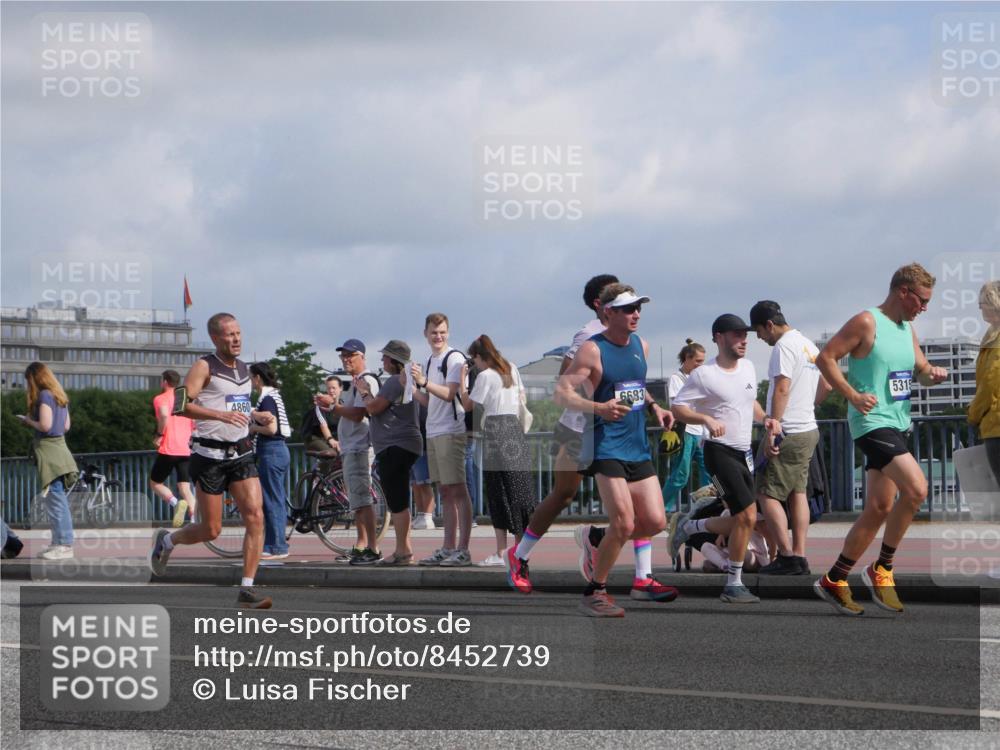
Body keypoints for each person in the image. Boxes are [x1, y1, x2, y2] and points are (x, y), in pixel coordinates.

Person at [813, 263, 948, 615]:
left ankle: (835, 577)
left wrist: (933, 374)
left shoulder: (907, 330)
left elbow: (920, 372)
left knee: (879, 508)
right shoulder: (866, 322)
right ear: (903, 292)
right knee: (917, 489)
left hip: (898, 424)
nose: (924, 308)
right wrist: (852, 396)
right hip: (871, 423)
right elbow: (825, 358)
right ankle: (882, 568)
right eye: (921, 300)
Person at [555, 283, 677, 617]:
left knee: (654, 521)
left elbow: (635, 387)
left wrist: (656, 407)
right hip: (605, 445)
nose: (635, 314)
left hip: (636, 445)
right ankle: (595, 591)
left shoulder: (641, 344)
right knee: (623, 523)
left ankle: (597, 539)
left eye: (638, 308)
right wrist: (599, 408)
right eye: (627, 309)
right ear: (608, 312)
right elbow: (562, 394)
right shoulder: (592, 350)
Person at [148, 313, 273, 609]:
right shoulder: (204, 366)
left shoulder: (244, 370)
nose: (236, 339)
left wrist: (253, 415)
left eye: (239, 333)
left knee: (256, 516)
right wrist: (219, 415)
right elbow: (180, 406)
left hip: (241, 453)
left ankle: (246, 589)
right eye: (230, 335)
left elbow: (235, 405)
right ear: (216, 338)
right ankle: (167, 541)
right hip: (209, 457)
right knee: (211, 530)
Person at [505, 274, 620, 593]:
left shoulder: (630, 336)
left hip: (612, 433)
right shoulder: (588, 334)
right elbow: (563, 381)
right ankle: (520, 555)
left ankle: (606, 547)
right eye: (617, 295)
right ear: (600, 305)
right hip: (577, 428)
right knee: (562, 495)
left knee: (632, 505)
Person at [668, 314, 774, 604]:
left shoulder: (750, 368)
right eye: (737, 335)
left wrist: (766, 419)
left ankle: (691, 527)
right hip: (717, 452)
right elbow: (678, 408)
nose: (744, 340)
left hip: (744, 453)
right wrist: (704, 417)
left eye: (745, 335)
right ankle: (733, 583)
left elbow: (749, 401)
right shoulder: (704, 374)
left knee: (745, 518)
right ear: (719, 337)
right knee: (747, 515)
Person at [749, 301, 830, 576]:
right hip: (809, 429)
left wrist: (774, 425)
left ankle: (785, 555)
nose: (760, 338)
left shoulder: (783, 346)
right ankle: (800, 554)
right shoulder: (809, 345)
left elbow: (782, 387)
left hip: (789, 430)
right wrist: (809, 406)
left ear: (769, 325)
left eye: (760, 332)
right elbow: (827, 384)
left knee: (766, 492)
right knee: (798, 492)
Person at [459, 335, 536, 566]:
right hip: (513, 427)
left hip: (494, 428)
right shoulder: (511, 368)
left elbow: (467, 405)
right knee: (518, 488)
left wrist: (463, 381)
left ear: (480, 357)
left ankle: (501, 551)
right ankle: (521, 548)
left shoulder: (485, 375)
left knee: (497, 489)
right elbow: (521, 396)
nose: (475, 365)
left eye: (474, 361)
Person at [411, 313, 474, 567]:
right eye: (434, 332)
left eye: (443, 332)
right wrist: (413, 390)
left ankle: (463, 548)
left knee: (458, 489)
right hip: (434, 430)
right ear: (425, 333)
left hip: (451, 429)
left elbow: (449, 394)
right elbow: (431, 400)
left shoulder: (454, 358)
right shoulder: (428, 360)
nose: (438, 336)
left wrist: (423, 382)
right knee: (445, 491)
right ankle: (449, 546)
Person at [355, 340, 423, 566]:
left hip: (395, 445)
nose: (382, 360)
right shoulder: (404, 380)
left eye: (385, 357)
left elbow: (373, 408)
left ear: (394, 361)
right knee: (399, 498)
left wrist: (364, 392)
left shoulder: (395, 380)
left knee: (397, 501)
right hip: (405, 444)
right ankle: (404, 549)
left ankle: (403, 552)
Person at [316, 339, 383, 565]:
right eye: (343, 356)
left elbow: (359, 413)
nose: (346, 359)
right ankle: (362, 545)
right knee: (357, 501)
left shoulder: (366, 380)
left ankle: (372, 548)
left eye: (351, 355)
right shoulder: (356, 381)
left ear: (362, 357)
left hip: (360, 447)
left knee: (363, 500)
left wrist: (333, 406)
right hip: (352, 447)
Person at [18, 362, 77, 560]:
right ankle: (58, 543)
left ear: (35, 378)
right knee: (55, 499)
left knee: (56, 500)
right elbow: (66, 426)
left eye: (29, 380)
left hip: (49, 453)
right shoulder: (60, 396)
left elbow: (45, 425)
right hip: (60, 450)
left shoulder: (44, 395)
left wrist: (28, 421)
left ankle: (65, 545)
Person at [661, 339, 711, 513]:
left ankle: (707, 508)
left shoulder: (700, 378)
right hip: (686, 431)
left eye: (702, 361)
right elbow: (677, 408)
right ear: (687, 358)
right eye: (698, 361)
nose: (700, 365)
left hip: (702, 433)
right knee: (681, 475)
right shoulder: (677, 378)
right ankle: (662, 509)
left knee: (710, 473)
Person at [249, 362, 292, 561]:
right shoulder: (276, 395)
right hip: (280, 451)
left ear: (257, 378)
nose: (251, 382)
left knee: (271, 500)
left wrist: (253, 429)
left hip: (270, 450)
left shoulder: (266, 399)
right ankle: (275, 544)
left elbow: (271, 429)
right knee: (277, 498)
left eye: (251, 377)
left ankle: (276, 547)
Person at [149, 370, 196, 528]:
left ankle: (175, 503)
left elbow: (163, 415)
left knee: (155, 483)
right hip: (186, 449)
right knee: (185, 487)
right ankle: (196, 520)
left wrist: (159, 434)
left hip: (169, 448)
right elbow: (194, 422)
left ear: (164, 382)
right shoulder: (183, 398)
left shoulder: (160, 398)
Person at [968, 280, 1000, 488]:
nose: (979, 307)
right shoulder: (991, 334)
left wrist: (973, 414)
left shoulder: (995, 339)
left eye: (982, 301)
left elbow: (990, 382)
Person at [300, 376, 342, 474]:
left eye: (334, 388)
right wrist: (331, 440)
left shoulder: (342, 406)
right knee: (331, 454)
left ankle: (335, 482)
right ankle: (320, 479)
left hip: (331, 438)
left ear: (341, 388)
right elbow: (323, 425)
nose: (331, 391)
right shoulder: (321, 405)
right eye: (328, 388)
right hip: (314, 437)